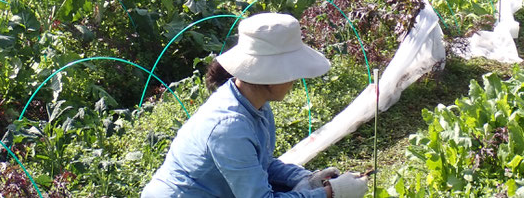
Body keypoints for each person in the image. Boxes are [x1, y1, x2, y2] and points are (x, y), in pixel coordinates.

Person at [142, 13, 369, 198]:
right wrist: (330, 193)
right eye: (291, 71)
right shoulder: (229, 127)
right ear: (268, 74)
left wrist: (303, 178)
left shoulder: (254, 103)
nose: (295, 80)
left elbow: (261, 163)